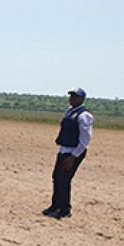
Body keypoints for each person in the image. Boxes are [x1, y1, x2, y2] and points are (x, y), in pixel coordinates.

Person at [43, 88, 93, 219]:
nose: (72, 99)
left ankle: (65, 209)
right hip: (64, 150)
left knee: (64, 180)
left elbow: (85, 139)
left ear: (81, 99)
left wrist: (74, 156)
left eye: (75, 97)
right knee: (56, 178)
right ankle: (55, 206)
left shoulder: (84, 115)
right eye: (71, 96)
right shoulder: (70, 112)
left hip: (73, 153)